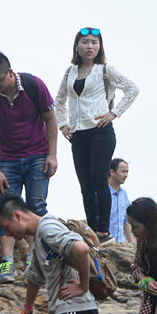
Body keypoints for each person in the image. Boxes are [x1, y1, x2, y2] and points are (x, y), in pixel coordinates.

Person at [0, 50, 59, 283]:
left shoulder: (34, 85)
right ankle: (7, 263)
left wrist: (52, 155)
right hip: (8, 159)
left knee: (35, 207)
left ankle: (33, 259)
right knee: (6, 209)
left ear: (10, 73)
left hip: (38, 155)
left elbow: (51, 119)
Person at [54, 27, 139, 243]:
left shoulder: (105, 69)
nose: (89, 46)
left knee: (99, 179)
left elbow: (132, 89)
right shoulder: (69, 72)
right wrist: (63, 124)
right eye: (85, 42)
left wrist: (114, 113)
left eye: (94, 42)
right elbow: (59, 100)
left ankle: (103, 231)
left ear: (100, 46)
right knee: (85, 184)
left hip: (101, 131)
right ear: (77, 46)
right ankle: (92, 229)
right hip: (78, 134)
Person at [108, 158, 133, 243]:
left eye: (127, 172)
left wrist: (131, 243)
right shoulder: (103, 194)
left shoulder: (124, 194)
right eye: (123, 171)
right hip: (105, 244)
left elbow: (126, 221)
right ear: (112, 172)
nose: (126, 175)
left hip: (120, 244)